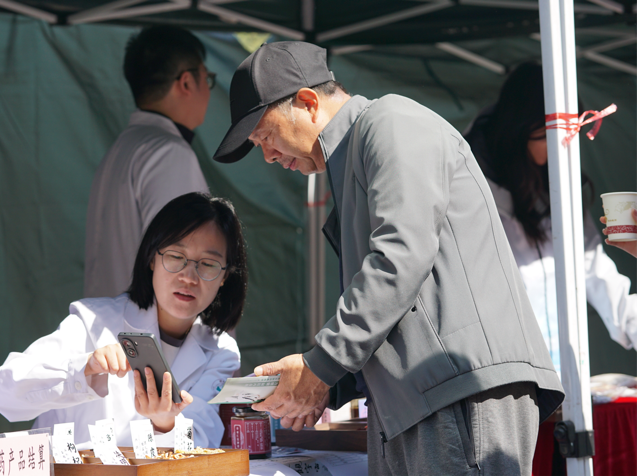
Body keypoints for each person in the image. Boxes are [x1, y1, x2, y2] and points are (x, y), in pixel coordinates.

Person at [213, 41, 564, 475]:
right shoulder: (359, 153)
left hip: (456, 389)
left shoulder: (391, 121)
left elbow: (400, 258)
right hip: (426, 398)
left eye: (266, 136)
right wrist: (325, 384)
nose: (267, 155)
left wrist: (319, 368)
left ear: (307, 102)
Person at [0, 192, 246, 448]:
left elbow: (203, 440)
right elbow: (4, 393)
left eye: (208, 264)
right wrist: (84, 369)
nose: (189, 277)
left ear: (225, 276)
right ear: (152, 258)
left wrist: (165, 424)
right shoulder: (92, 322)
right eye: (176, 257)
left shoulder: (221, 352)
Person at [465, 62, 637, 366]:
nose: (563, 146)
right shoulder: (467, 186)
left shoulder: (555, 185)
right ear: (520, 128)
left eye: (572, 133)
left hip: (563, 367)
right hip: (501, 369)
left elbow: (596, 272)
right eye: (551, 135)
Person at [84, 26, 215, 298]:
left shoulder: (123, 147)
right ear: (186, 83)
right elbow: (181, 269)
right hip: (149, 323)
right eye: (207, 78)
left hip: (114, 318)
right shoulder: (168, 153)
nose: (208, 90)